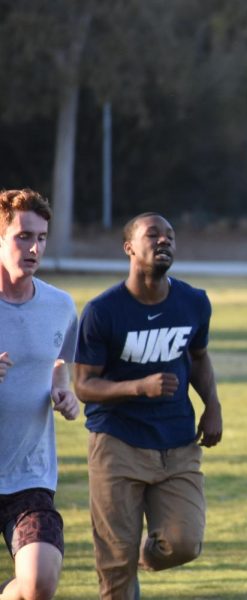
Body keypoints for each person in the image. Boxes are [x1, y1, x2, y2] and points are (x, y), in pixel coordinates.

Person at [73, 212, 223, 600]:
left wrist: (213, 406)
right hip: (117, 444)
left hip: (177, 441)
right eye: (153, 234)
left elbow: (199, 356)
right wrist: (138, 386)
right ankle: (126, 565)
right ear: (129, 248)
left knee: (184, 542)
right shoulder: (102, 311)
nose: (164, 241)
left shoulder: (193, 302)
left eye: (170, 236)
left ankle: (146, 555)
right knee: (115, 567)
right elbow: (84, 386)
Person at [0, 189, 80, 600]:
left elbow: (59, 361)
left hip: (29, 474)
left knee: (39, 582)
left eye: (42, 237)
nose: (34, 248)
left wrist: (63, 392)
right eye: (22, 236)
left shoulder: (60, 305)